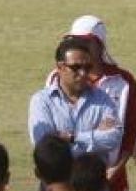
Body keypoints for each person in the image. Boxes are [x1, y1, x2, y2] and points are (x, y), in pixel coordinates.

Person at [45, 15, 136, 191]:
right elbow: (55, 128)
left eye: (85, 42)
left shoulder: (123, 81)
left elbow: (131, 129)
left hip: (109, 177)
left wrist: (117, 167)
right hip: (66, 176)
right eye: (74, 41)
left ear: (100, 45)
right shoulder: (55, 78)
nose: (78, 46)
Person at [28, 36, 123, 170]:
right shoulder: (42, 101)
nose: (83, 73)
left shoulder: (103, 100)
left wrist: (72, 138)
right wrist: (95, 137)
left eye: (87, 67)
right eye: (76, 67)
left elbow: (113, 139)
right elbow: (45, 147)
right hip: (58, 185)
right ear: (60, 67)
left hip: (92, 187)